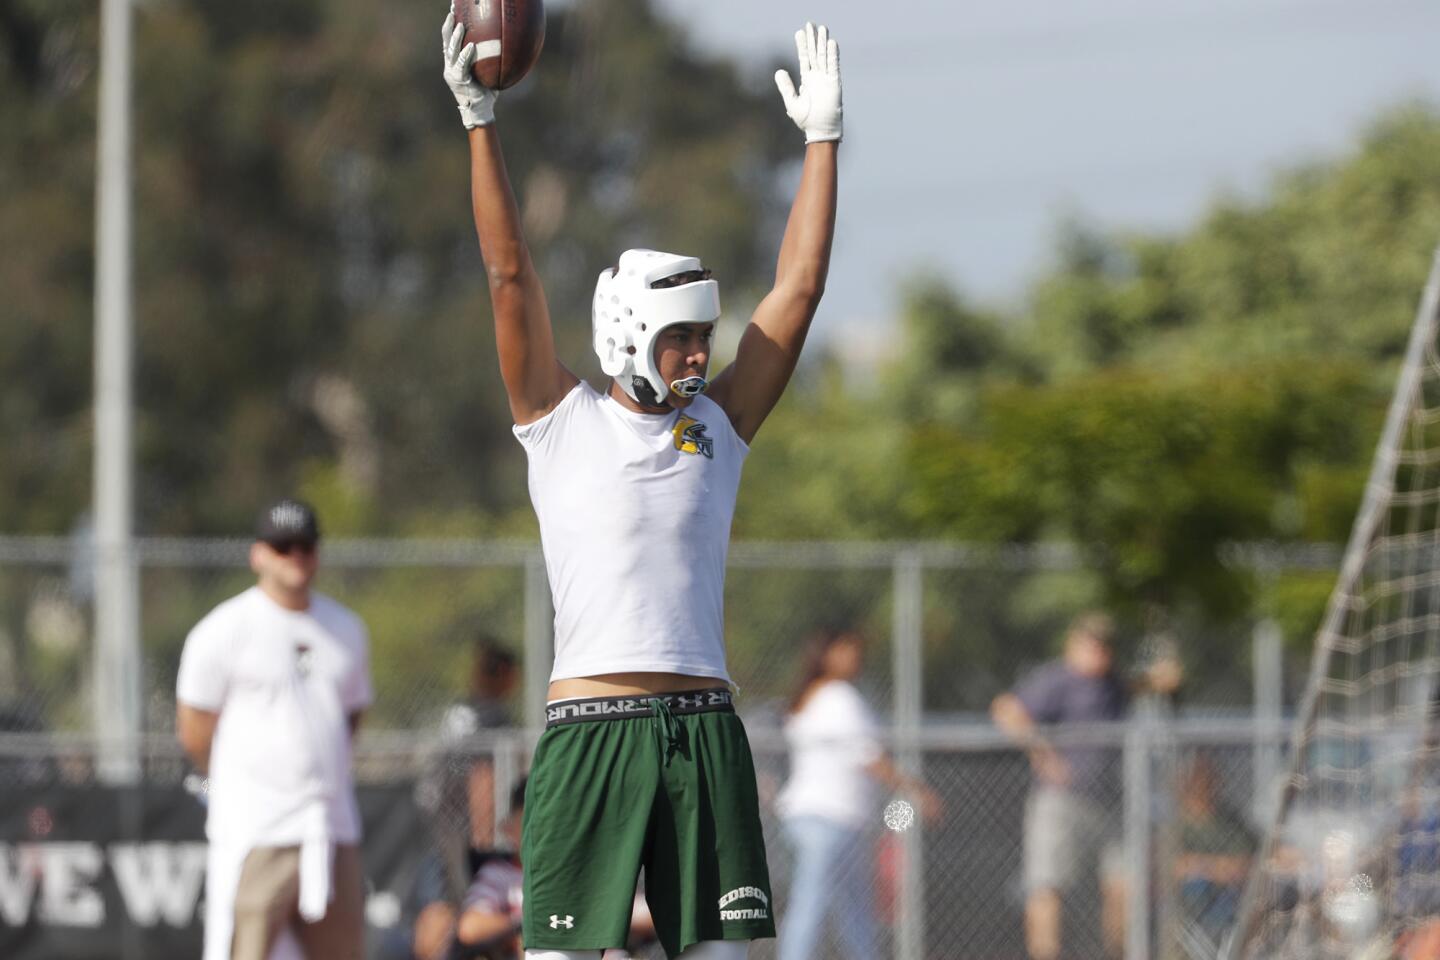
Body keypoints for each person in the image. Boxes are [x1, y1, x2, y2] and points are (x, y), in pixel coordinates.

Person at [439, 9, 842, 958]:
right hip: (590, 736)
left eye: (704, 335)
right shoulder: (560, 419)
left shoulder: (719, 426)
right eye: (682, 337)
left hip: (703, 731)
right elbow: (507, 273)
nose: (701, 352)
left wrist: (822, 143)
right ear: (625, 335)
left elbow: (800, 288)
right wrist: (479, 121)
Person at [176, 499, 373, 960]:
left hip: (329, 823)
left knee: (341, 950)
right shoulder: (225, 628)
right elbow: (194, 729)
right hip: (257, 825)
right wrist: (230, 784)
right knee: (246, 948)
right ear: (259, 554)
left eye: (305, 545)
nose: (296, 556)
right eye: (283, 546)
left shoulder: (345, 628)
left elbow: (350, 716)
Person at [990, 611, 1181, 960]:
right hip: (1062, 801)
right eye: (1092, 643)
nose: (1098, 651)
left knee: (1125, 886)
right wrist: (1042, 754)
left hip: (1111, 802)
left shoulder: (1114, 683)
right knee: (1046, 884)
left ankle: (1119, 954)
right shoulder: (1056, 679)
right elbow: (1006, 709)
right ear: (1075, 643)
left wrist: (1164, 644)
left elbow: (1158, 681)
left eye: (1105, 645)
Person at [775, 629, 939, 960]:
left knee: (854, 908)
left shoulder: (811, 696)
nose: (856, 658)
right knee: (813, 901)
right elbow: (869, 757)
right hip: (827, 817)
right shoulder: (838, 697)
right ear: (826, 654)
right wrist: (917, 790)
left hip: (826, 819)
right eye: (847, 650)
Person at [417, 777, 660, 960]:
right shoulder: (501, 876)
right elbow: (470, 927)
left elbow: (650, 914)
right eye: (531, 828)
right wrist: (534, 921)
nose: (543, 838)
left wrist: (587, 919)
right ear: (509, 829)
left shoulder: (584, 874)